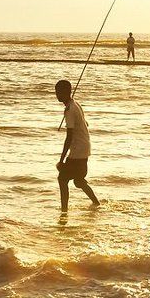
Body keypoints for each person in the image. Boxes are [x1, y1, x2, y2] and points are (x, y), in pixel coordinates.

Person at [55, 79, 100, 211]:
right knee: (78, 180)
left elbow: (69, 137)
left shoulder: (70, 109)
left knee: (62, 179)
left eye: (58, 92)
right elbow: (86, 123)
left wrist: (61, 159)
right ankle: (96, 203)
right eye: (56, 92)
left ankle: (64, 211)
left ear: (66, 92)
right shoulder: (75, 105)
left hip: (78, 150)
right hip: (85, 148)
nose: (56, 95)